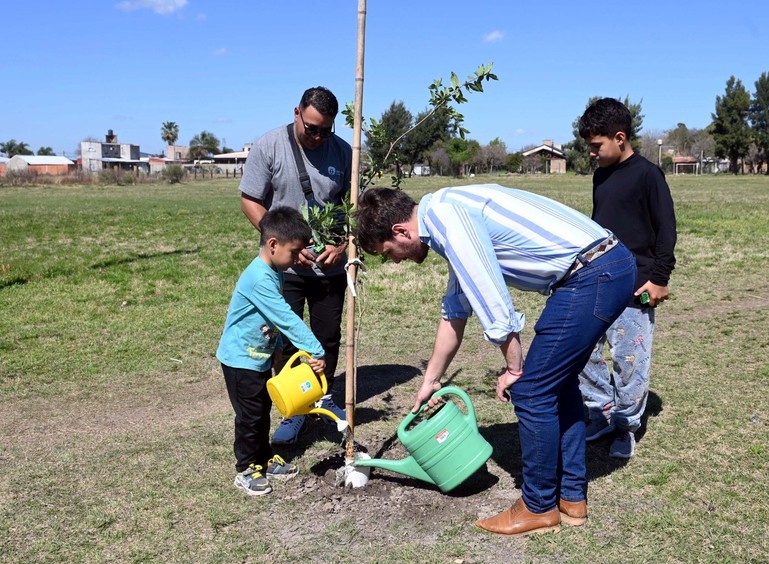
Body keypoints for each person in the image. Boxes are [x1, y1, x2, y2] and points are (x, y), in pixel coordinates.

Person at [354, 184, 636, 535]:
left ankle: (538, 506)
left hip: (592, 275)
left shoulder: (447, 218)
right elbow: (455, 313)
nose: (395, 259)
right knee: (556, 384)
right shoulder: (445, 212)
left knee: (532, 390)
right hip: (605, 267)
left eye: (389, 251)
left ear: (400, 231)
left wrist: (515, 369)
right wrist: (431, 379)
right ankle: (571, 498)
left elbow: (492, 302)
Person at [240, 86, 352, 446]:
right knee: (286, 340)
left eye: (325, 130)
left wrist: (343, 245)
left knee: (327, 338)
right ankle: (294, 411)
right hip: (285, 271)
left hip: (329, 270)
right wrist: (284, 243)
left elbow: (355, 212)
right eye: (312, 128)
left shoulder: (344, 152)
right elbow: (250, 200)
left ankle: (323, 396)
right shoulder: (269, 146)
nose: (318, 136)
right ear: (296, 113)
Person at [576, 97, 678, 459]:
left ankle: (625, 426)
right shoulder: (601, 174)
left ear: (620, 137)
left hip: (638, 284)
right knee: (583, 350)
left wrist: (660, 278)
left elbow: (666, 230)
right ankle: (601, 412)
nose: (592, 153)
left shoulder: (649, 175)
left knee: (629, 361)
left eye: (596, 146)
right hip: (600, 279)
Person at [216, 207, 327, 496]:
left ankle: (263, 459)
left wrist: (277, 348)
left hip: (260, 356)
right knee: (250, 416)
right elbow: (285, 317)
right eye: (294, 251)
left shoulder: (275, 272)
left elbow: (270, 318)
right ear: (273, 244)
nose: (297, 258)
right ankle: (246, 469)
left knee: (262, 410)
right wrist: (315, 350)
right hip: (240, 359)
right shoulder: (260, 278)